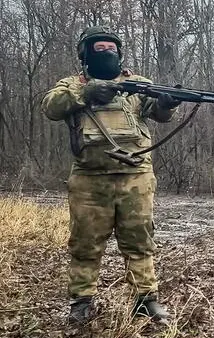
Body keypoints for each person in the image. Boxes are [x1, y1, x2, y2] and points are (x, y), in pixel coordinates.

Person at [41, 26, 181, 325]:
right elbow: (51, 107)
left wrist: (168, 104)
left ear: (120, 53)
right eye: (99, 49)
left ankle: (146, 301)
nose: (106, 53)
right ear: (85, 55)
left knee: (140, 241)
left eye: (111, 49)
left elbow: (158, 112)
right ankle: (81, 303)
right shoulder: (71, 84)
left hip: (136, 176)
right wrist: (85, 92)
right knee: (85, 244)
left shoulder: (137, 84)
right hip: (89, 179)